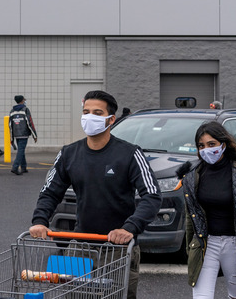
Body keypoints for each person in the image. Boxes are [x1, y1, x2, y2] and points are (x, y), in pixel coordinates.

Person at [29, 90, 161, 299]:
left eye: (97, 112)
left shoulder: (129, 153)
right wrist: (40, 220)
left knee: (117, 295)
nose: (90, 117)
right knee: (77, 296)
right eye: (86, 112)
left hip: (117, 248)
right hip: (80, 245)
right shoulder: (69, 154)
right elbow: (50, 192)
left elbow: (152, 195)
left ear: (111, 119)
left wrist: (129, 228)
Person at [178, 121, 236, 299]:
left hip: (235, 245)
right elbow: (192, 217)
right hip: (206, 244)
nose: (206, 150)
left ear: (223, 145)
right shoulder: (192, 176)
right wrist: (191, 249)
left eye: (212, 144)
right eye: (201, 146)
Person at [8, 95, 37, 175]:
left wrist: (11, 137)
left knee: (21, 150)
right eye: (24, 99)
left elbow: (10, 124)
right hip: (24, 133)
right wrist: (34, 135)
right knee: (21, 150)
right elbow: (30, 122)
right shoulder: (25, 109)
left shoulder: (12, 111)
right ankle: (15, 167)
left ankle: (23, 167)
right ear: (22, 101)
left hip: (16, 133)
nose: (25, 100)